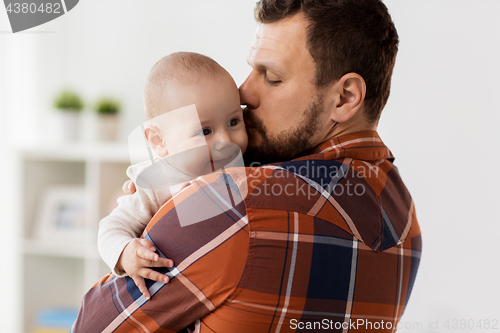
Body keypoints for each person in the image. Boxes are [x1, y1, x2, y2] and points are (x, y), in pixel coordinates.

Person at [72, 0, 422, 332]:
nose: (242, 93)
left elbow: (92, 325)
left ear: (345, 97)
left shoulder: (234, 202)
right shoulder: (404, 217)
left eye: (271, 77)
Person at [97, 52, 248, 300]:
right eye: (205, 130)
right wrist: (126, 253)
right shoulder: (155, 184)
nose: (226, 140)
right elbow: (111, 228)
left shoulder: (246, 164)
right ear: (159, 141)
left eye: (233, 122)